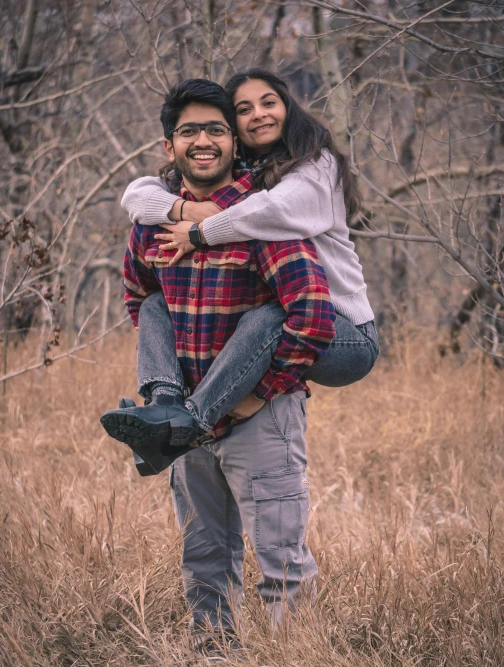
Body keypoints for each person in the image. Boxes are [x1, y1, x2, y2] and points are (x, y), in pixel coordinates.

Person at [101, 78, 336, 644]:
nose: (202, 141)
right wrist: (169, 379)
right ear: (169, 146)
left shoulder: (262, 219)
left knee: (281, 562)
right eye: (189, 131)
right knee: (205, 559)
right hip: (184, 422)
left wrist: (259, 395)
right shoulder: (152, 224)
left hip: (261, 418)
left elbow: (311, 315)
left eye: (215, 130)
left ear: (234, 142)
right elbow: (139, 298)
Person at [116, 68, 378, 446]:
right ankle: (164, 402)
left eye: (269, 102)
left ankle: (193, 419)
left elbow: (266, 213)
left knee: (271, 316)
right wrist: (184, 209)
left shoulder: (316, 168)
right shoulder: (259, 171)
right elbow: (136, 196)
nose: (259, 113)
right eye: (245, 108)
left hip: (348, 334)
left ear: (288, 107)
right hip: (307, 317)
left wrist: (200, 232)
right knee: (157, 303)